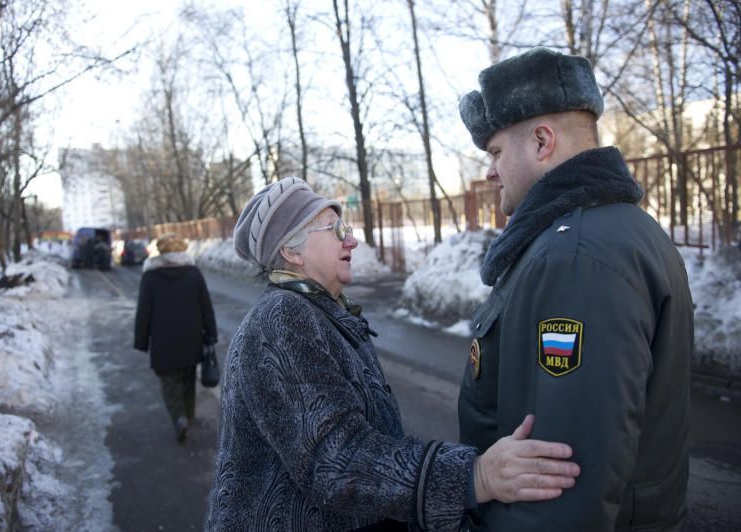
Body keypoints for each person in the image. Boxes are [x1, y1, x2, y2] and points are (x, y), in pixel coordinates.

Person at [206, 176, 581, 531]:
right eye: (335, 231)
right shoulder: (282, 318)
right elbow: (337, 460)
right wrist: (475, 476)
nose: (350, 241)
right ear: (291, 251)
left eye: (346, 229)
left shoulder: (321, 311)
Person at [457, 47, 693, 530]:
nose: (489, 171)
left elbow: (563, 480)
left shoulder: (576, 256)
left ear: (542, 142)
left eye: (497, 151)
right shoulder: (610, 231)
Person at [133, 233, 218, 442]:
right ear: (181, 251)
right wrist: (211, 334)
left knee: (169, 383)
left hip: (163, 342)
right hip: (191, 339)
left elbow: (144, 311)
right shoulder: (193, 273)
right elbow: (206, 306)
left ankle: (179, 418)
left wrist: (141, 341)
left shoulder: (150, 276)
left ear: (161, 252)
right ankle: (188, 415)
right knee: (188, 379)